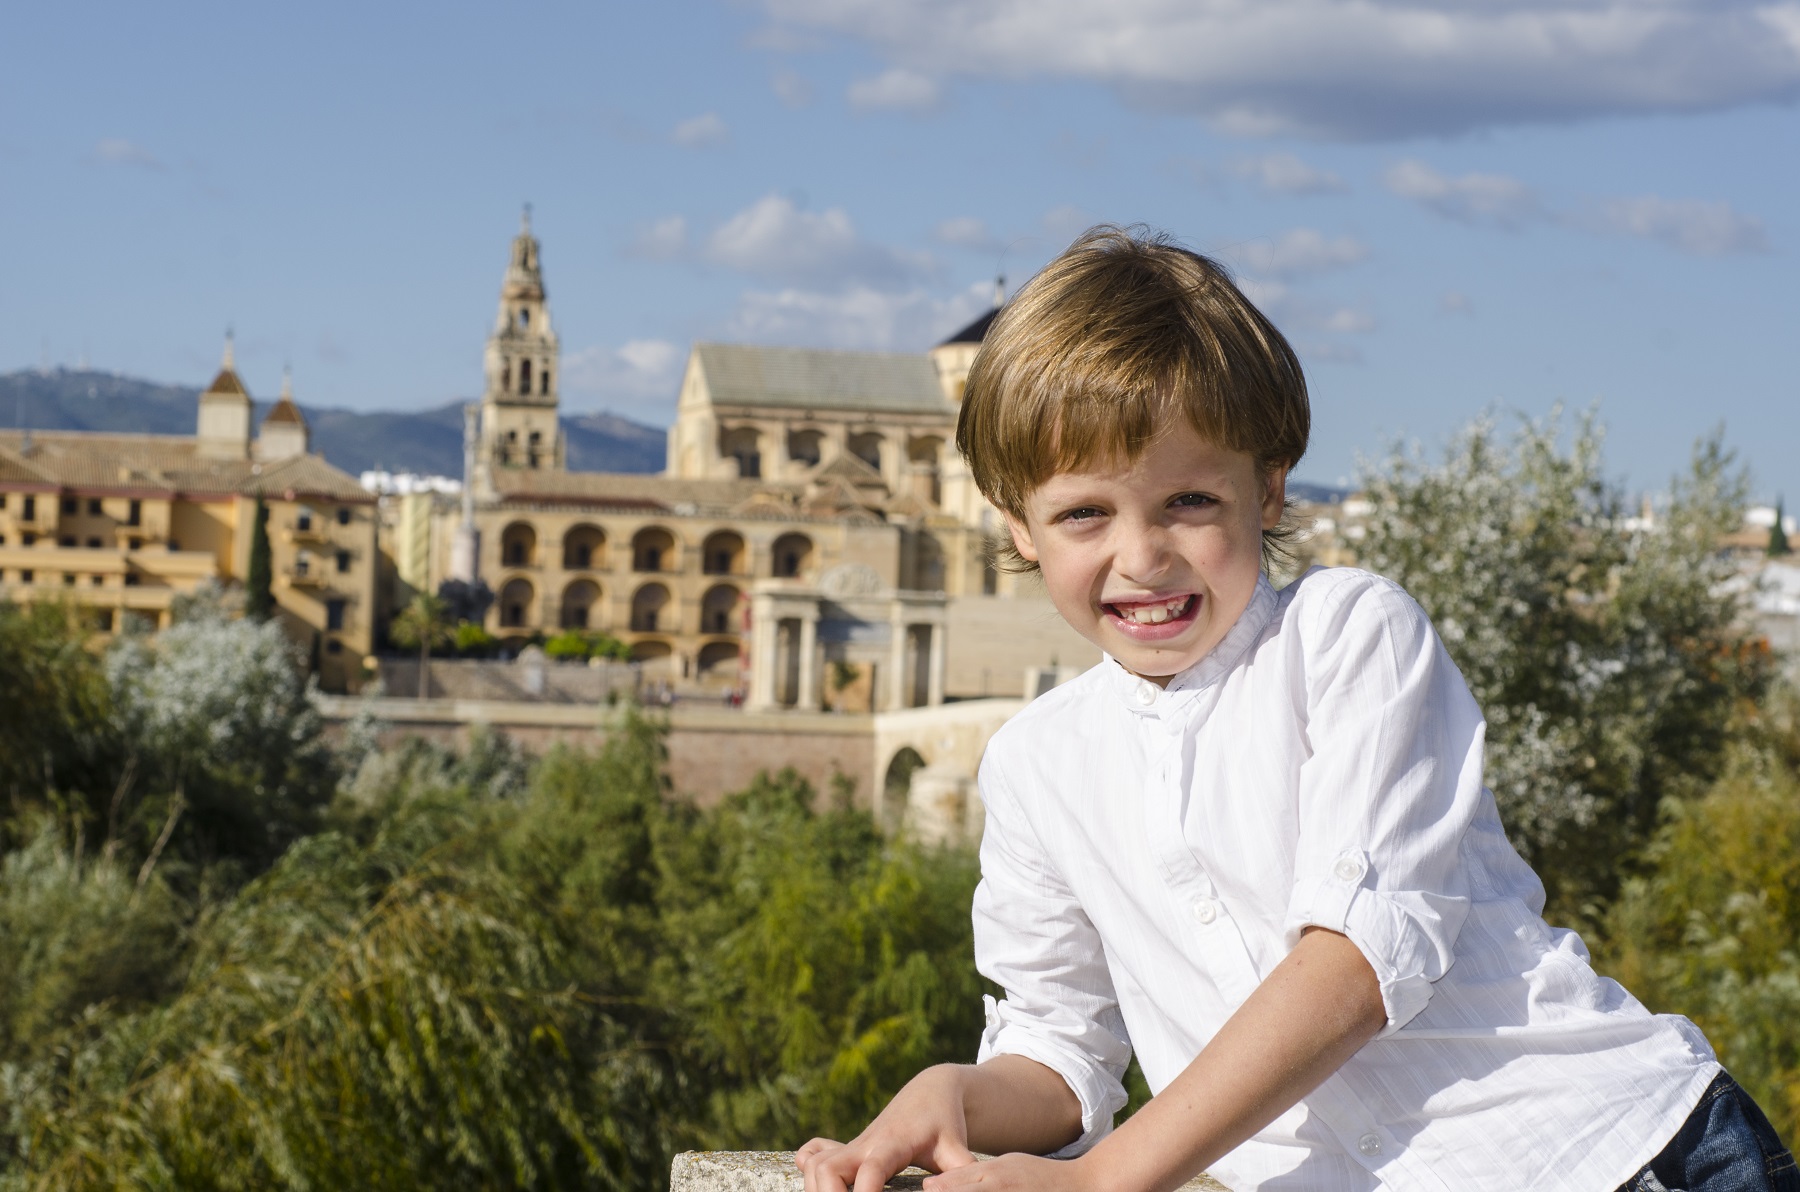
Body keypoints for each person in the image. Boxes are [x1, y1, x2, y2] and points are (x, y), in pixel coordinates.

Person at [796, 227, 1797, 1192]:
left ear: (1270, 489)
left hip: (1611, 1155)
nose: (1142, 557)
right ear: (1018, 525)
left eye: (1190, 502)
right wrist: (955, 1095)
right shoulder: (1034, 764)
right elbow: (1061, 1055)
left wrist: (1109, 1177)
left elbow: (1359, 961)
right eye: (1085, 513)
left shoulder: (1349, 636)